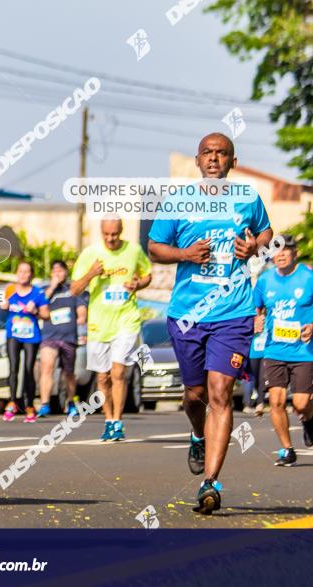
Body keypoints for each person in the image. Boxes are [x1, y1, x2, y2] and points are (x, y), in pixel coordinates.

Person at [148, 132, 273, 514]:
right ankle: (196, 434)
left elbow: (268, 234)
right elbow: (154, 247)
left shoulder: (248, 198)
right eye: (208, 153)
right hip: (187, 315)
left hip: (233, 313)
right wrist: (184, 253)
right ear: (198, 161)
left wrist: (254, 247)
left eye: (222, 153)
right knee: (194, 396)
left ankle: (211, 483)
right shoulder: (178, 200)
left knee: (221, 393)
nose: (215, 159)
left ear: (232, 162)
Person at [71, 219, 152, 441]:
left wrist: (138, 284)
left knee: (118, 372)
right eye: (106, 234)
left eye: (114, 234)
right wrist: (91, 273)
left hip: (126, 320)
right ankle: (107, 420)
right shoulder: (90, 254)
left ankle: (118, 421)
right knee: (103, 377)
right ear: (101, 232)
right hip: (99, 324)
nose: (110, 238)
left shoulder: (134, 250)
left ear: (121, 232)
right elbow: (74, 288)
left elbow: (147, 275)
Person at [252, 234, 313, 466]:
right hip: (274, 350)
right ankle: (287, 449)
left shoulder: (308, 277)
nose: (281, 255)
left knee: (300, 403)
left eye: (286, 250)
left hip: (304, 351)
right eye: (276, 251)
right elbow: (256, 309)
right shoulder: (265, 280)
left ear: (295, 253)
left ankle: (309, 418)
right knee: (276, 401)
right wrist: (256, 319)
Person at [0, 261, 50, 423]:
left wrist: (35, 311)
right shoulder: (9, 290)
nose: (23, 275)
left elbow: (46, 315)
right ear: (17, 273)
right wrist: (3, 306)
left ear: (31, 275)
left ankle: (29, 406)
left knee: (28, 370)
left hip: (31, 335)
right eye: (20, 271)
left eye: (26, 272)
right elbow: (3, 305)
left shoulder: (37, 293)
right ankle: (12, 402)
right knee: (13, 367)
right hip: (13, 334)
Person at [38, 260, 87, 418]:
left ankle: (71, 401)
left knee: (69, 372)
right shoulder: (46, 290)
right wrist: (52, 286)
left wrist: (76, 323)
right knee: (47, 368)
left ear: (66, 273)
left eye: (60, 271)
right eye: (55, 271)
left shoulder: (72, 290)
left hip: (68, 337)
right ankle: (44, 404)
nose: (58, 274)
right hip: (49, 336)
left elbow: (82, 315)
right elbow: (40, 306)